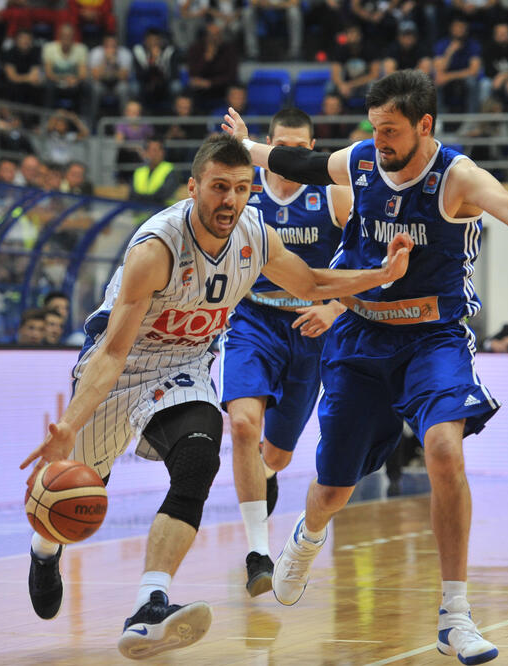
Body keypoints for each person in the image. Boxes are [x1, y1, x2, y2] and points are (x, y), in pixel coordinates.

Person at [222, 69, 508, 665]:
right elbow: (298, 163)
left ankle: (455, 615)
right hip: (361, 337)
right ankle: (305, 541)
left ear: (424, 125)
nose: (380, 140)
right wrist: (249, 148)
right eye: (374, 128)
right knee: (334, 489)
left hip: (433, 340)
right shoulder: (361, 161)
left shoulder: (456, 176)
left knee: (444, 449)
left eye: (391, 130)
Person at [19, 134, 413, 659]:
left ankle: (148, 605)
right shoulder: (157, 248)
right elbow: (112, 353)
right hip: (122, 365)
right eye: (219, 188)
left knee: (200, 457)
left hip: (183, 367)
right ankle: (45, 549)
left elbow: (314, 281)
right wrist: (69, 423)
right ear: (193, 187)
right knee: (81, 486)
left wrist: (380, 275)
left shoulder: (255, 234)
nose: (230, 200)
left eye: (241, 188)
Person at [219, 108, 353, 597]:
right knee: (240, 425)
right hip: (255, 320)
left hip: (311, 330)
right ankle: (258, 554)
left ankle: (267, 472)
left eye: (302, 149)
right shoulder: (245, 192)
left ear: (313, 149)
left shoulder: (334, 194)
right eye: (283, 147)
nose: (292, 157)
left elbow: (368, 257)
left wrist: (337, 307)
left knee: (275, 453)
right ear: (267, 145)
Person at [131, 139, 180, 207]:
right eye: (151, 150)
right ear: (146, 153)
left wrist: (142, 200)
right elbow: (132, 194)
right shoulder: (139, 171)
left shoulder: (170, 170)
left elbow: (164, 195)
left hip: (163, 213)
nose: (154, 154)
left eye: (156, 150)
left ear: (163, 152)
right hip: (140, 213)